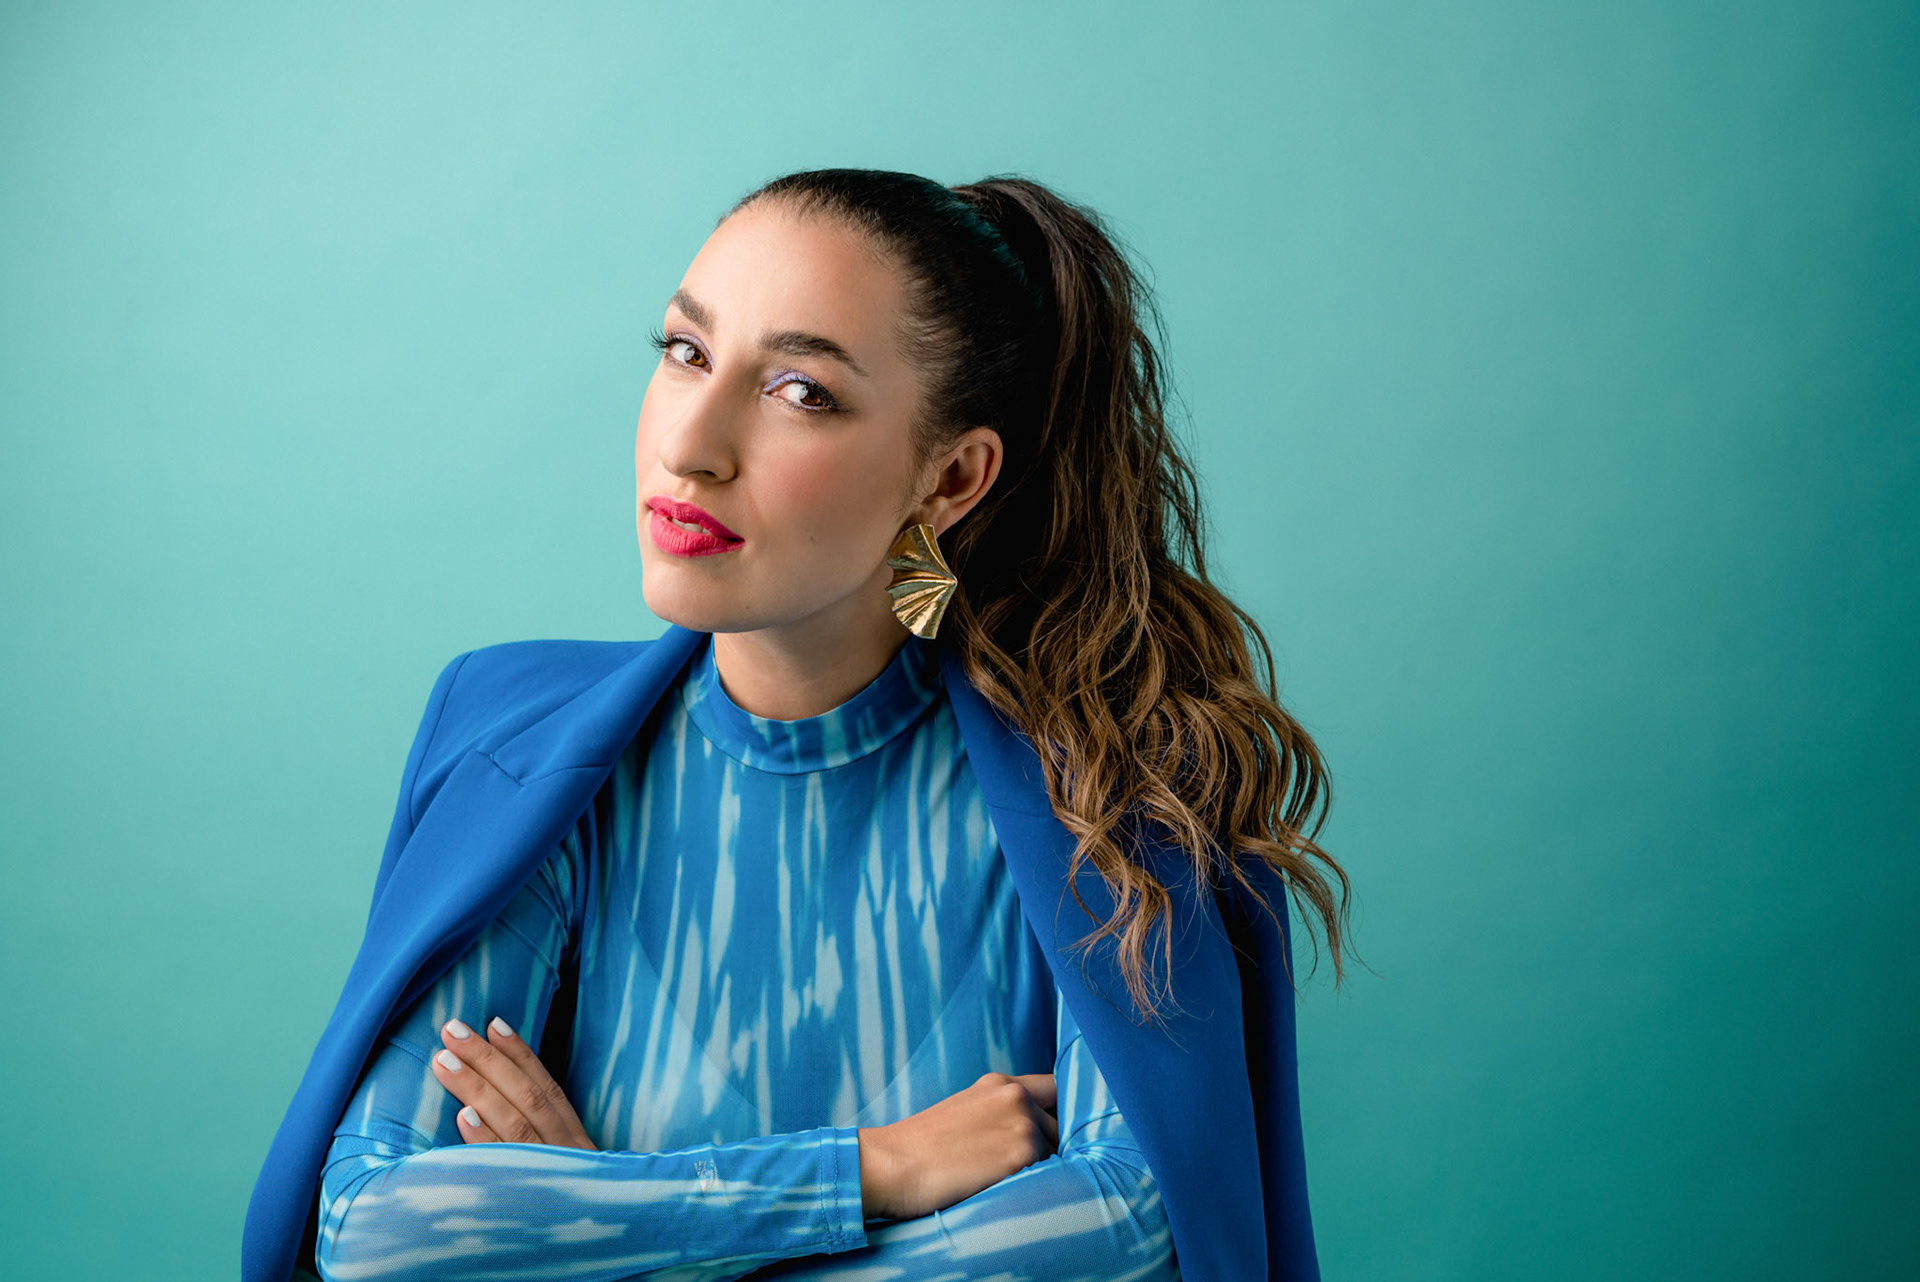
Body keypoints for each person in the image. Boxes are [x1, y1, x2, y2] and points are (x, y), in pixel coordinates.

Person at [242, 168, 1352, 1282]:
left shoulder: (1107, 791)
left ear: (951, 479)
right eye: (686, 351)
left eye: (800, 391)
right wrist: (871, 1170)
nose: (691, 445)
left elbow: (1129, 1225)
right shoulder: (522, 750)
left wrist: (602, 1238)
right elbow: (377, 1229)